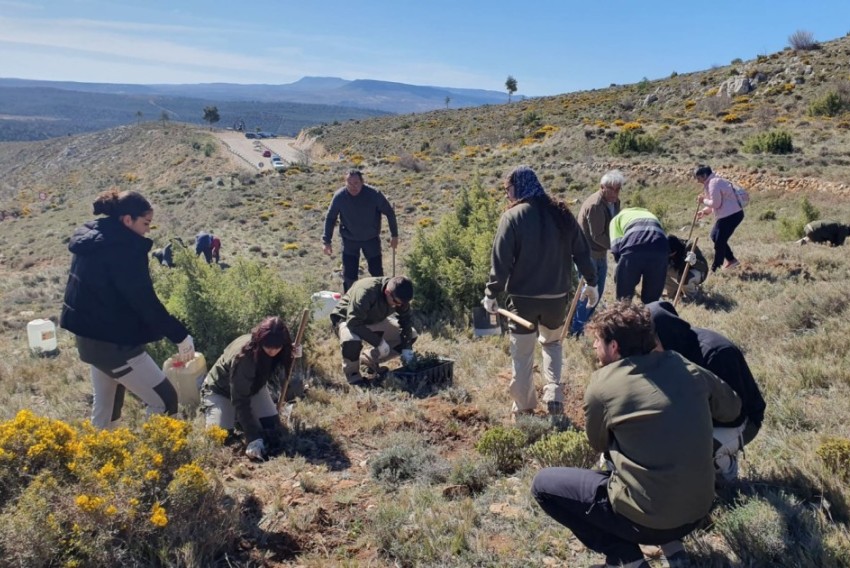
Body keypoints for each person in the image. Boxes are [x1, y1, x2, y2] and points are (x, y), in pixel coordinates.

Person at [531, 302, 741, 568]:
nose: (595, 347)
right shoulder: (684, 365)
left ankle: (626, 559)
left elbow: (598, 443)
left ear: (614, 346)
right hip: (698, 511)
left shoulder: (602, 384)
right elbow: (732, 407)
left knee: (543, 485)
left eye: (597, 340)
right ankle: (674, 549)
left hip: (646, 521)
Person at [60, 189, 195, 429]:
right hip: (114, 345)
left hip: (91, 340)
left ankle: (100, 456)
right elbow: (143, 300)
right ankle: (160, 460)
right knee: (165, 400)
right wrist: (180, 336)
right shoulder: (123, 248)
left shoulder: (94, 239)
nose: (147, 230)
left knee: (106, 410)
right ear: (127, 220)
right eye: (145, 223)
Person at [482, 165, 599, 420]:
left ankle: (523, 407)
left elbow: (501, 262)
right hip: (556, 298)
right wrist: (591, 281)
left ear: (519, 187)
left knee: (522, 353)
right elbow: (581, 251)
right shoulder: (561, 213)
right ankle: (554, 395)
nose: (507, 195)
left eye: (508, 189)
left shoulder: (512, 217)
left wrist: (491, 294)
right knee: (553, 343)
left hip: (523, 300)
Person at [648, 300, 766, 482]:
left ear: (664, 334)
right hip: (695, 414)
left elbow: (734, 413)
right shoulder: (662, 354)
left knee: (700, 448)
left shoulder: (716, 354)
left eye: (649, 340)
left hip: (740, 421)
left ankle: (728, 478)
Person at [201, 316, 301, 460]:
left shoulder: (280, 347)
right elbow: (240, 399)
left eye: (277, 347)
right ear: (260, 340)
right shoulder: (244, 357)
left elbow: (281, 369)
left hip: (253, 387)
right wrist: (252, 438)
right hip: (220, 391)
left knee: (271, 427)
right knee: (220, 438)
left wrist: (291, 354)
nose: (273, 351)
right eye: (268, 346)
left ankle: (239, 419)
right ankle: (234, 418)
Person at [330, 276, 417, 385]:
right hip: (347, 319)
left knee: (411, 335)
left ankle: (369, 359)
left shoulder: (399, 295)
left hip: (373, 319)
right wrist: (378, 342)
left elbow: (406, 321)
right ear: (387, 292)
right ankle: (353, 376)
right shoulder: (366, 291)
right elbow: (354, 322)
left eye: (401, 304)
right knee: (352, 340)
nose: (398, 306)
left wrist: (407, 348)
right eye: (395, 302)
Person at [322, 169, 399, 292]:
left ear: (362, 182)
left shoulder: (374, 194)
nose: (353, 186)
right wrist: (326, 241)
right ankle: (349, 303)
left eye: (356, 183)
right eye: (350, 183)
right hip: (350, 241)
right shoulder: (339, 197)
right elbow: (330, 218)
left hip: (371, 240)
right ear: (345, 182)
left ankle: (380, 300)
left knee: (377, 273)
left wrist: (394, 235)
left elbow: (389, 213)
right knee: (349, 277)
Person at [570, 169, 623, 336]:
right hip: (588, 255)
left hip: (600, 253)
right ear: (602, 187)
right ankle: (576, 330)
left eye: (618, 188)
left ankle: (583, 326)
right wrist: (617, 245)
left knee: (596, 294)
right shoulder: (595, 205)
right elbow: (597, 236)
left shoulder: (614, 201)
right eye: (612, 188)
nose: (615, 192)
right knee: (588, 293)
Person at [609, 207, 668, 304]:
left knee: (624, 298)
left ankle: (624, 314)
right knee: (652, 300)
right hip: (660, 249)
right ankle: (650, 315)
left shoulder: (616, 219)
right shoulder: (651, 215)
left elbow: (616, 250)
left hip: (633, 247)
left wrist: (622, 275)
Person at [694, 165, 744, 271]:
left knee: (719, 241)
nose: (698, 181)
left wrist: (703, 200)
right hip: (727, 215)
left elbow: (716, 204)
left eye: (698, 178)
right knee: (715, 237)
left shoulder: (713, 183)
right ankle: (731, 260)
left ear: (704, 175)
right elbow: (715, 203)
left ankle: (716, 267)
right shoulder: (712, 182)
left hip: (732, 215)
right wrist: (704, 211)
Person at [664, 235, 708, 299]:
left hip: (698, 272)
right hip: (680, 270)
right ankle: (675, 293)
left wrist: (694, 261)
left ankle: (693, 297)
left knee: (684, 278)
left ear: (675, 250)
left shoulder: (690, 248)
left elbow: (704, 267)